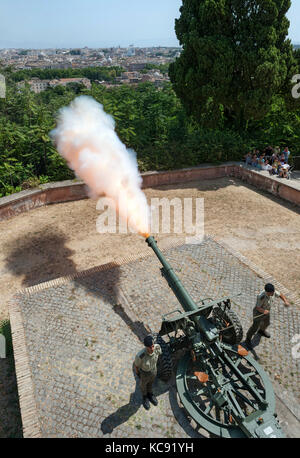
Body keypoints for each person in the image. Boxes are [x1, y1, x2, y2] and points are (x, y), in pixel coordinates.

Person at [245, 283, 291, 349]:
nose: (273, 294)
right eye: (271, 293)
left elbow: (280, 294)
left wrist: (285, 301)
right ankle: (248, 339)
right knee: (254, 327)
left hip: (266, 311)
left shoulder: (272, 291)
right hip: (258, 313)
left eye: (273, 292)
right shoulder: (261, 296)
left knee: (267, 323)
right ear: (267, 292)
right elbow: (258, 307)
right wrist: (264, 311)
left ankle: (261, 331)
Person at [134, 335, 162, 410]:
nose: (152, 348)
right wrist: (138, 374)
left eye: (153, 346)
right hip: (144, 373)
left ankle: (150, 394)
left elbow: (159, 354)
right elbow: (136, 366)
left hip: (153, 370)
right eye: (150, 347)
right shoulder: (141, 355)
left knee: (150, 383)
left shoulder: (157, 347)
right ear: (146, 347)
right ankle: (145, 397)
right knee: (143, 386)